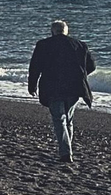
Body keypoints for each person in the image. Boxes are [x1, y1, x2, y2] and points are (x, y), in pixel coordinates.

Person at [27, 20, 97, 163]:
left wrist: (32, 85)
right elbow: (91, 66)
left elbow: (35, 67)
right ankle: (67, 150)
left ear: (52, 31)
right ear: (66, 31)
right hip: (74, 87)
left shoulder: (43, 45)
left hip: (52, 86)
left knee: (59, 120)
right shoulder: (80, 45)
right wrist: (80, 75)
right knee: (68, 120)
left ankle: (66, 153)